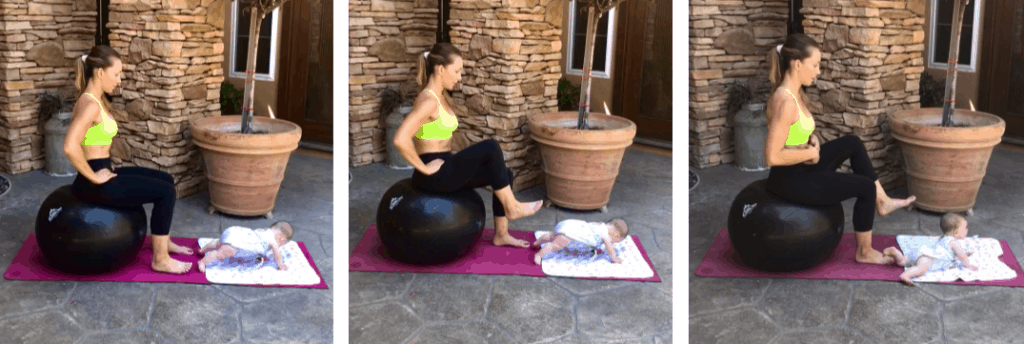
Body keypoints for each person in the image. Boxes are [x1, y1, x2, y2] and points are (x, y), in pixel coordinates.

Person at [762, 33, 916, 265]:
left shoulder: (794, 93)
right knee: (864, 187)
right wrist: (810, 153)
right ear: (797, 64)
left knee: (853, 142)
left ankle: (882, 199)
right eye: (814, 65)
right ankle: (864, 252)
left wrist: (810, 139)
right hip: (790, 180)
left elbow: (793, 133)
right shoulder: (785, 101)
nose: (818, 71)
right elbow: (772, 156)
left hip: (802, 166)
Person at [392, 42, 543, 248]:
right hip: (433, 175)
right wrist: (423, 167)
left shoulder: (441, 97)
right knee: (490, 147)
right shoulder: (428, 100)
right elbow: (400, 138)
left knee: (503, 173)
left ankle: (501, 234)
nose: (459, 77)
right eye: (456, 71)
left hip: (446, 165)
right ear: (440, 69)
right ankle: (512, 206)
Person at [64, 45, 193, 274]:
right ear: (100, 72)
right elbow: (69, 146)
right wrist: (94, 176)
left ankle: (165, 241)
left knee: (166, 179)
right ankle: (160, 259)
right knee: (165, 192)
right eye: (116, 74)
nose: (120, 80)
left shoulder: (97, 100)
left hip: (104, 170)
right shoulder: (90, 105)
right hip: (94, 184)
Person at [883, 213, 977, 286]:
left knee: (904, 261)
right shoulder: (954, 242)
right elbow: (962, 256)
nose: (967, 230)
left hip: (920, 252)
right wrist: (968, 265)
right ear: (956, 232)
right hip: (928, 258)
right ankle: (906, 275)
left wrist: (966, 253)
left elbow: (957, 254)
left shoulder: (943, 238)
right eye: (965, 228)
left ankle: (895, 252)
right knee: (922, 268)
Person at [197, 221, 295, 273]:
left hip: (234, 232)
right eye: (283, 242)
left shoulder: (264, 231)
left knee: (218, 243)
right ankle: (203, 262)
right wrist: (280, 265)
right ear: (282, 238)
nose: (281, 245)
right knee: (220, 254)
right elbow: (277, 253)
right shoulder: (273, 241)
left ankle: (202, 250)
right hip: (236, 244)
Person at [532, 218, 629, 265]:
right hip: (570, 234)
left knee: (552, 236)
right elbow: (609, 248)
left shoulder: (599, 226)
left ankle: (537, 242)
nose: (613, 243)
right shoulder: (606, 236)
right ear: (615, 235)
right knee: (555, 245)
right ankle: (539, 255)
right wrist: (614, 258)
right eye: (616, 241)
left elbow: (590, 238)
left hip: (568, 225)